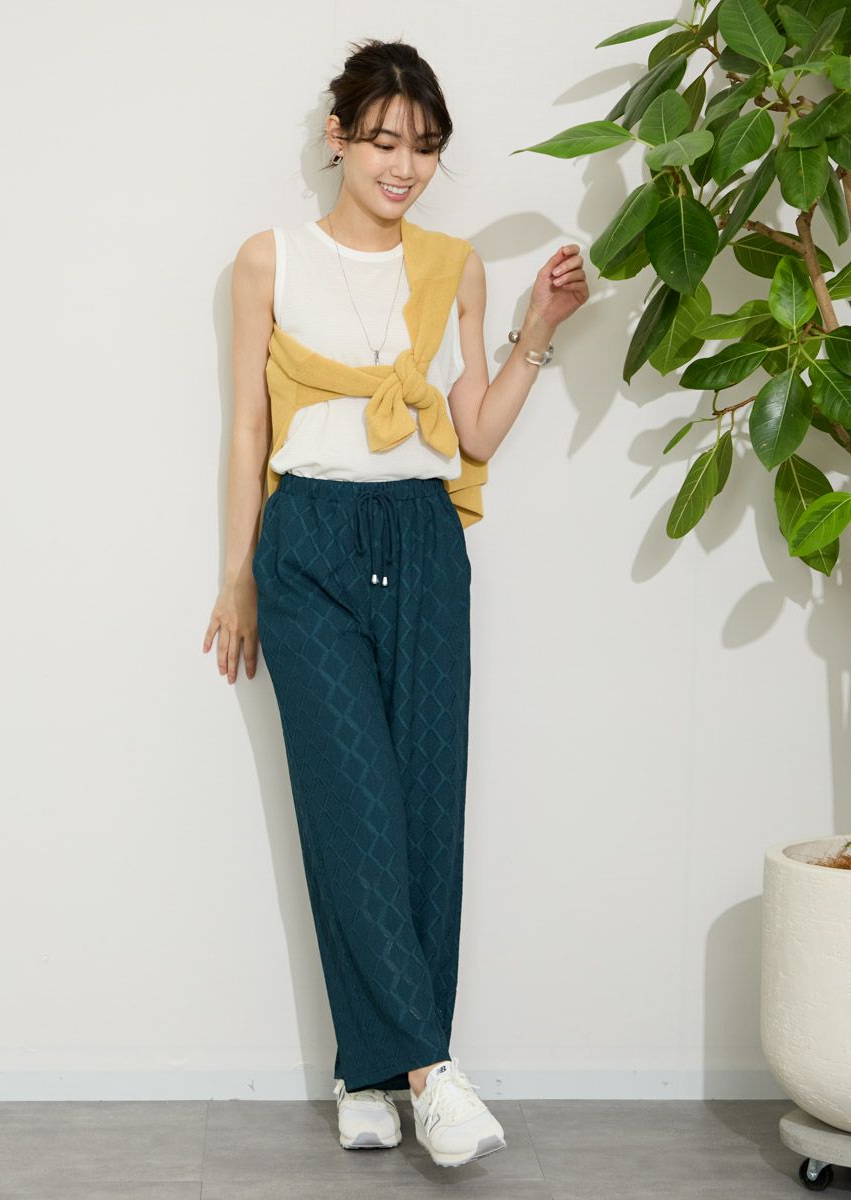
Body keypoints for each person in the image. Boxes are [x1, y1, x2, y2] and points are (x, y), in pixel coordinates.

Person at [202, 37, 588, 1170]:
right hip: (308, 546)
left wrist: (537, 329)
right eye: (382, 140)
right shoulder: (269, 260)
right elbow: (247, 427)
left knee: (422, 814)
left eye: (423, 146)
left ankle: (368, 1071)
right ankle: (433, 1075)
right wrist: (237, 574)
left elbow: (472, 431)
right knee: (350, 803)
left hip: (423, 540)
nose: (402, 166)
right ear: (339, 137)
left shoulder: (453, 268)